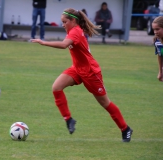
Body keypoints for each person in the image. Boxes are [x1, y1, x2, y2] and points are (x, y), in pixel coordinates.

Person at [31, 8, 133, 142]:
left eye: (64, 22)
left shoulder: (75, 31)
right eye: (62, 22)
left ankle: (125, 129)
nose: (63, 25)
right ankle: (68, 120)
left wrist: (43, 42)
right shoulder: (72, 29)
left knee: (105, 103)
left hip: (91, 73)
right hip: (77, 69)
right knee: (56, 87)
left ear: (73, 20)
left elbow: (63, 45)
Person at [152, 16, 163, 82]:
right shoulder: (157, 42)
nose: (155, 32)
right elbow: (160, 55)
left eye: (157, 29)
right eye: (154, 29)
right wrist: (160, 72)